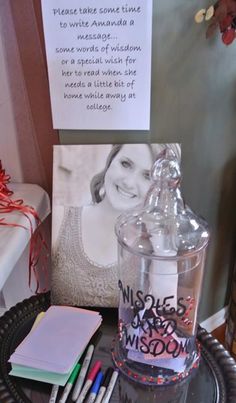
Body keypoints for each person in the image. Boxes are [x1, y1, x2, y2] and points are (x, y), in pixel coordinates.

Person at [51, 143, 181, 307]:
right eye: (125, 164)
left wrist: (162, 246)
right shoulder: (60, 218)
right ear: (110, 162)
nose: (129, 182)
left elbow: (165, 311)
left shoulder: (153, 244)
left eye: (147, 176)